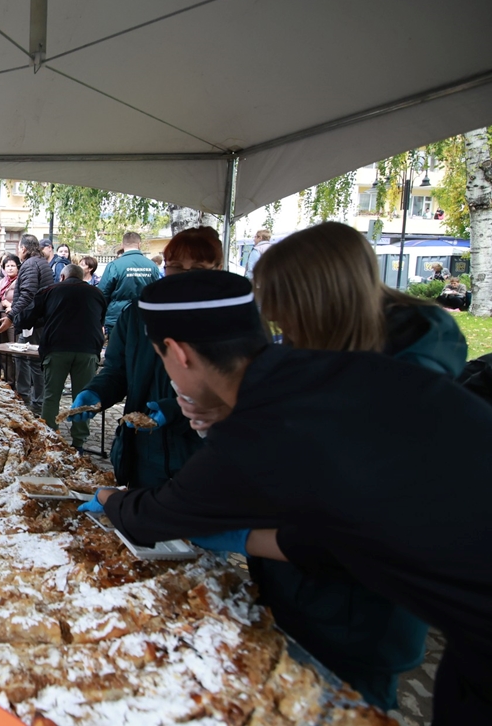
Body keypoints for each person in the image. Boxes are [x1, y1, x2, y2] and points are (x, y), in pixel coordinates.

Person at [80, 270, 492, 724]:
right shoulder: (320, 372)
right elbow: (347, 527)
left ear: (177, 353)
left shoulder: (262, 423)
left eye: (162, 356)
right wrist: (249, 538)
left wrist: (107, 496)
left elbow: (156, 515)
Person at [214, 221, 468, 710]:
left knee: (347, 708)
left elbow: (360, 514)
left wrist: (243, 532)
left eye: (288, 321)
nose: (283, 334)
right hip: (292, 584)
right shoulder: (324, 352)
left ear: (320, 303)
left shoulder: (407, 384)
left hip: (358, 614)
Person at [69, 227, 221, 485]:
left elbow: (230, 390)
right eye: (175, 267)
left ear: (217, 269)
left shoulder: (227, 320)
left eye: (196, 268)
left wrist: (175, 410)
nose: (184, 277)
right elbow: (118, 371)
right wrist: (96, 393)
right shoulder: (138, 315)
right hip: (142, 450)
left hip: (198, 456)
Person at [17, 263, 106, 450]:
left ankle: (50, 439)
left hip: (57, 349)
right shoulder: (96, 293)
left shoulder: (50, 290)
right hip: (87, 350)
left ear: (63, 277)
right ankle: (79, 443)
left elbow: (27, 317)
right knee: (83, 397)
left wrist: (16, 319)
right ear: (81, 278)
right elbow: (99, 319)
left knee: (51, 396)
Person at [0, 235, 49, 414]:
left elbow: (27, 294)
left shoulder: (30, 264)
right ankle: (28, 398)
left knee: (31, 361)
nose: (18, 251)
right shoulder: (41, 262)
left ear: (24, 248)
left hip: (33, 321)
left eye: (19, 248)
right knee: (24, 358)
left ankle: (33, 403)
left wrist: (11, 316)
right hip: (36, 320)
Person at [97, 231, 161, 338]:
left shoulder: (114, 265)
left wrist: (100, 318)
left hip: (117, 316)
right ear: (139, 244)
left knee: (117, 350)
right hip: (143, 315)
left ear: (122, 245)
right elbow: (155, 292)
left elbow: (103, 293)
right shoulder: (152, 266)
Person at [0, 253, 20, 386]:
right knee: (2, 350)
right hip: (0, 319)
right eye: (7, 266)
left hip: (12, 320)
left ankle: (14, 380)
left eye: (12, 266)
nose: (10, 268)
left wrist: (10, 305)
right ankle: (6, 377)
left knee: (13, 350)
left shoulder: (20, 281)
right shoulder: (3, 281)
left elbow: (23, 299)